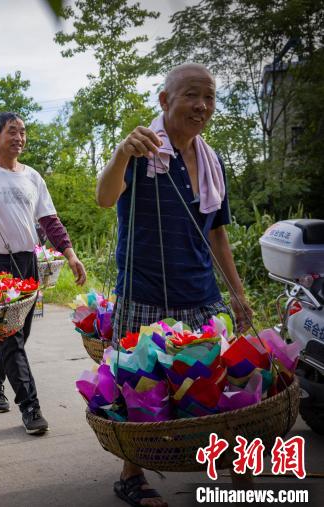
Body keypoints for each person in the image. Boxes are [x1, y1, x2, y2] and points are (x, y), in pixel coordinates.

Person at [96, 63, 254, 507]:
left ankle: (225, 465)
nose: (202, 105)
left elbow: (217, 233)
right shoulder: (140, 150)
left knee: (214, 385)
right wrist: (121, 154)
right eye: (191, 95)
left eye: (209, 97)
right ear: (164, 101)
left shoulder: (211, 160)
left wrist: (237, 294)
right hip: (144, 294)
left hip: (202, 294)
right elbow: (105, 197)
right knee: (141, 388)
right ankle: (132, 475)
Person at [0, 112, 87, 435]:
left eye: (23, 132)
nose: (19, 137)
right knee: (10, 337)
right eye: (12, 131)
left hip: (27, 262)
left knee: (18, 335)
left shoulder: (33, 177)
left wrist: (71, 254)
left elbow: (50, 222)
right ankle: (30, 406)